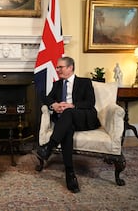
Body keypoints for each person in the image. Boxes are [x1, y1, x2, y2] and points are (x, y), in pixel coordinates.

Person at [36, 56, 100, 193]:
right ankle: (70, 174)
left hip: (83, 117)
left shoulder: (85, 82)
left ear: (70, 67)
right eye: (57, 67)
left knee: (69, 112)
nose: (57, 70)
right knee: (67, 129)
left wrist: (72, 105)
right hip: (66, 121)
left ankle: (49, 146)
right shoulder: (57, 84)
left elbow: (90, 102)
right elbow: (46, 97)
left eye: (60, 67)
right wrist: (54, 104)